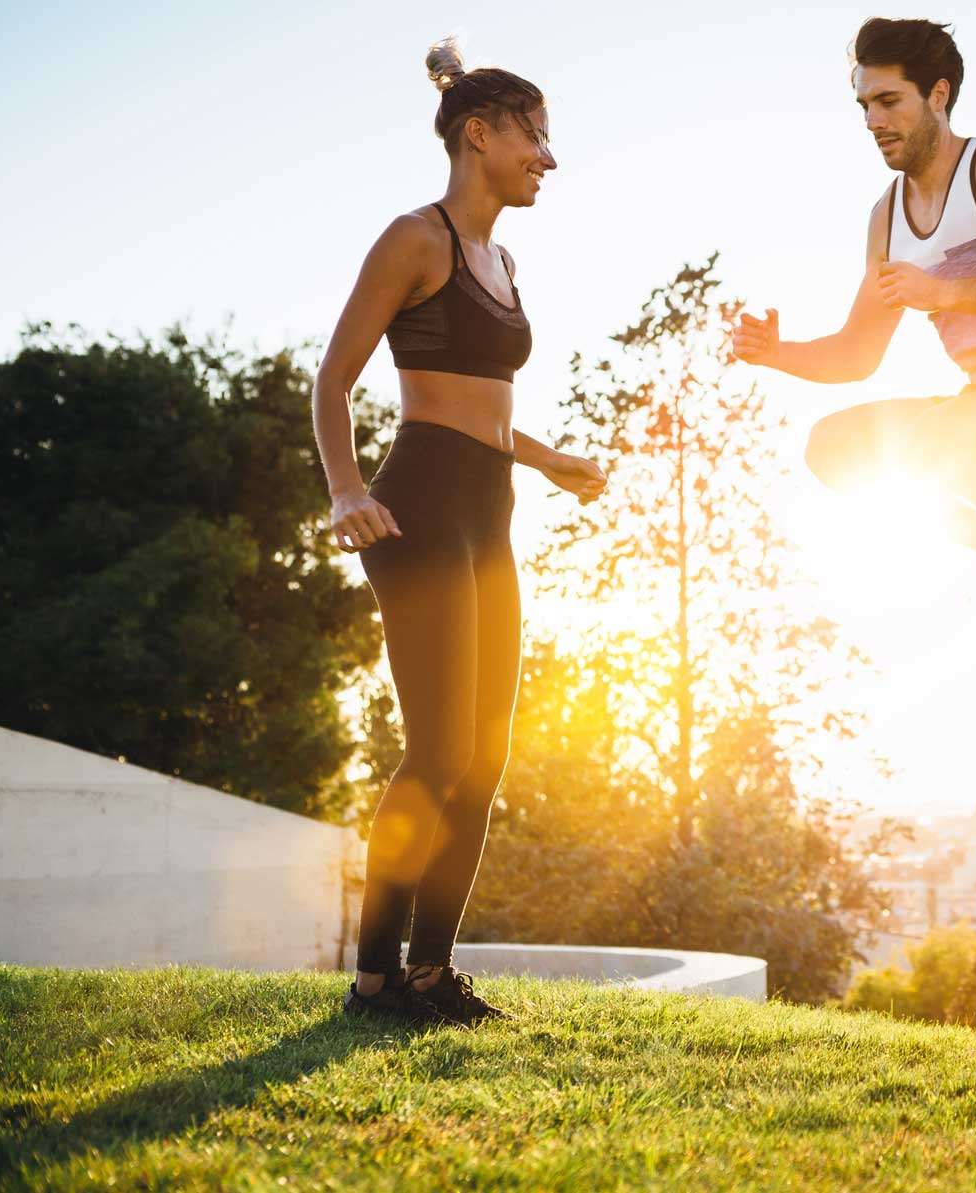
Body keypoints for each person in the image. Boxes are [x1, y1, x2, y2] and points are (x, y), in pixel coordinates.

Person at [312, 38, 606, 1026]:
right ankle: (372, 981)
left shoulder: (502, 256)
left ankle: (430, 974)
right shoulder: (416, 239)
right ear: (478, 134)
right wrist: (347, 488)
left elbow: (478, 407)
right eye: (536, 136)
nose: (549, 159)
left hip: (491, 509)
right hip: (422, 509)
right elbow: (334, 380)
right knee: (434, 754)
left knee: (483, 759)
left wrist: (547, 456)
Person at [733, 18, 976, 656]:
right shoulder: (887, 220)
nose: (873, 120)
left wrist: (946, 291)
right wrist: (775, 353)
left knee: (949, 441)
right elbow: (857, 355)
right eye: (865, 105)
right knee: (834, 447)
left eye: (889, 101)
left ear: (939, 97)